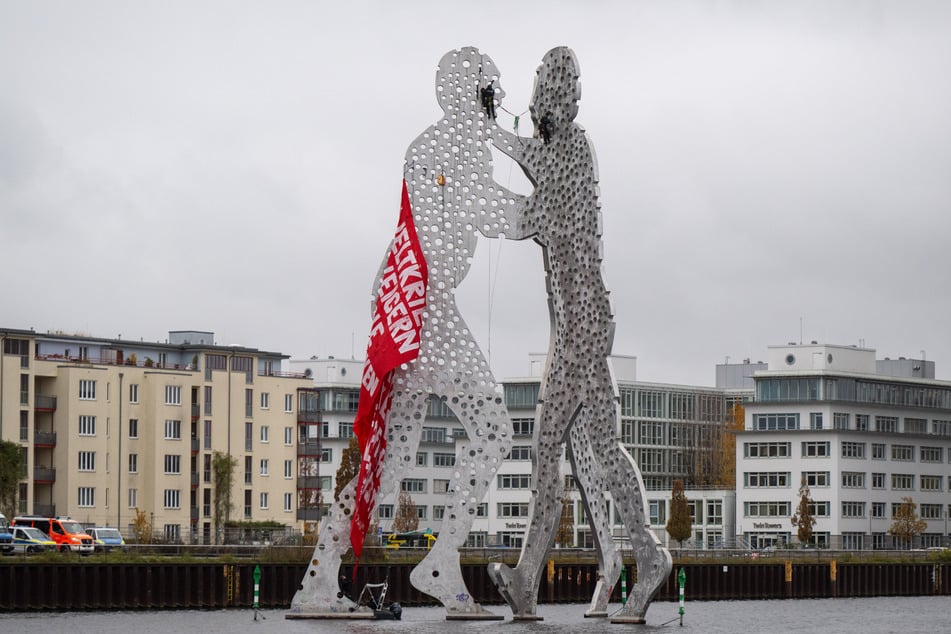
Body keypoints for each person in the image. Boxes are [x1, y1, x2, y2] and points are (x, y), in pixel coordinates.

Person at [290, 47, 519, 620]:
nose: (497, 105)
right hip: (423, 309)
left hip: (410, 304)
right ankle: (440, 560)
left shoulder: (441, 146)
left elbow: (481, 210)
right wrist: (546, 211)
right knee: (493, 428)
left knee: (389, 460)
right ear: (472, 94)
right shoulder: (449, 147)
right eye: (493, 92)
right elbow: (490, 213)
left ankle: (320, 577)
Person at [484, 47, 672, 622]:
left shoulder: (571, 152)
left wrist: (481, 157)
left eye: (541, 84)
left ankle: (647, 555)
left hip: (584, 326)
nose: (536, 94)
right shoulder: (561, 149)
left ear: (556, 94)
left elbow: (527, 213)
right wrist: (490, 127)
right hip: (572, 330)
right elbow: (528, 158)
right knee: (552, 449)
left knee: (600, 449)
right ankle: (528, 579)